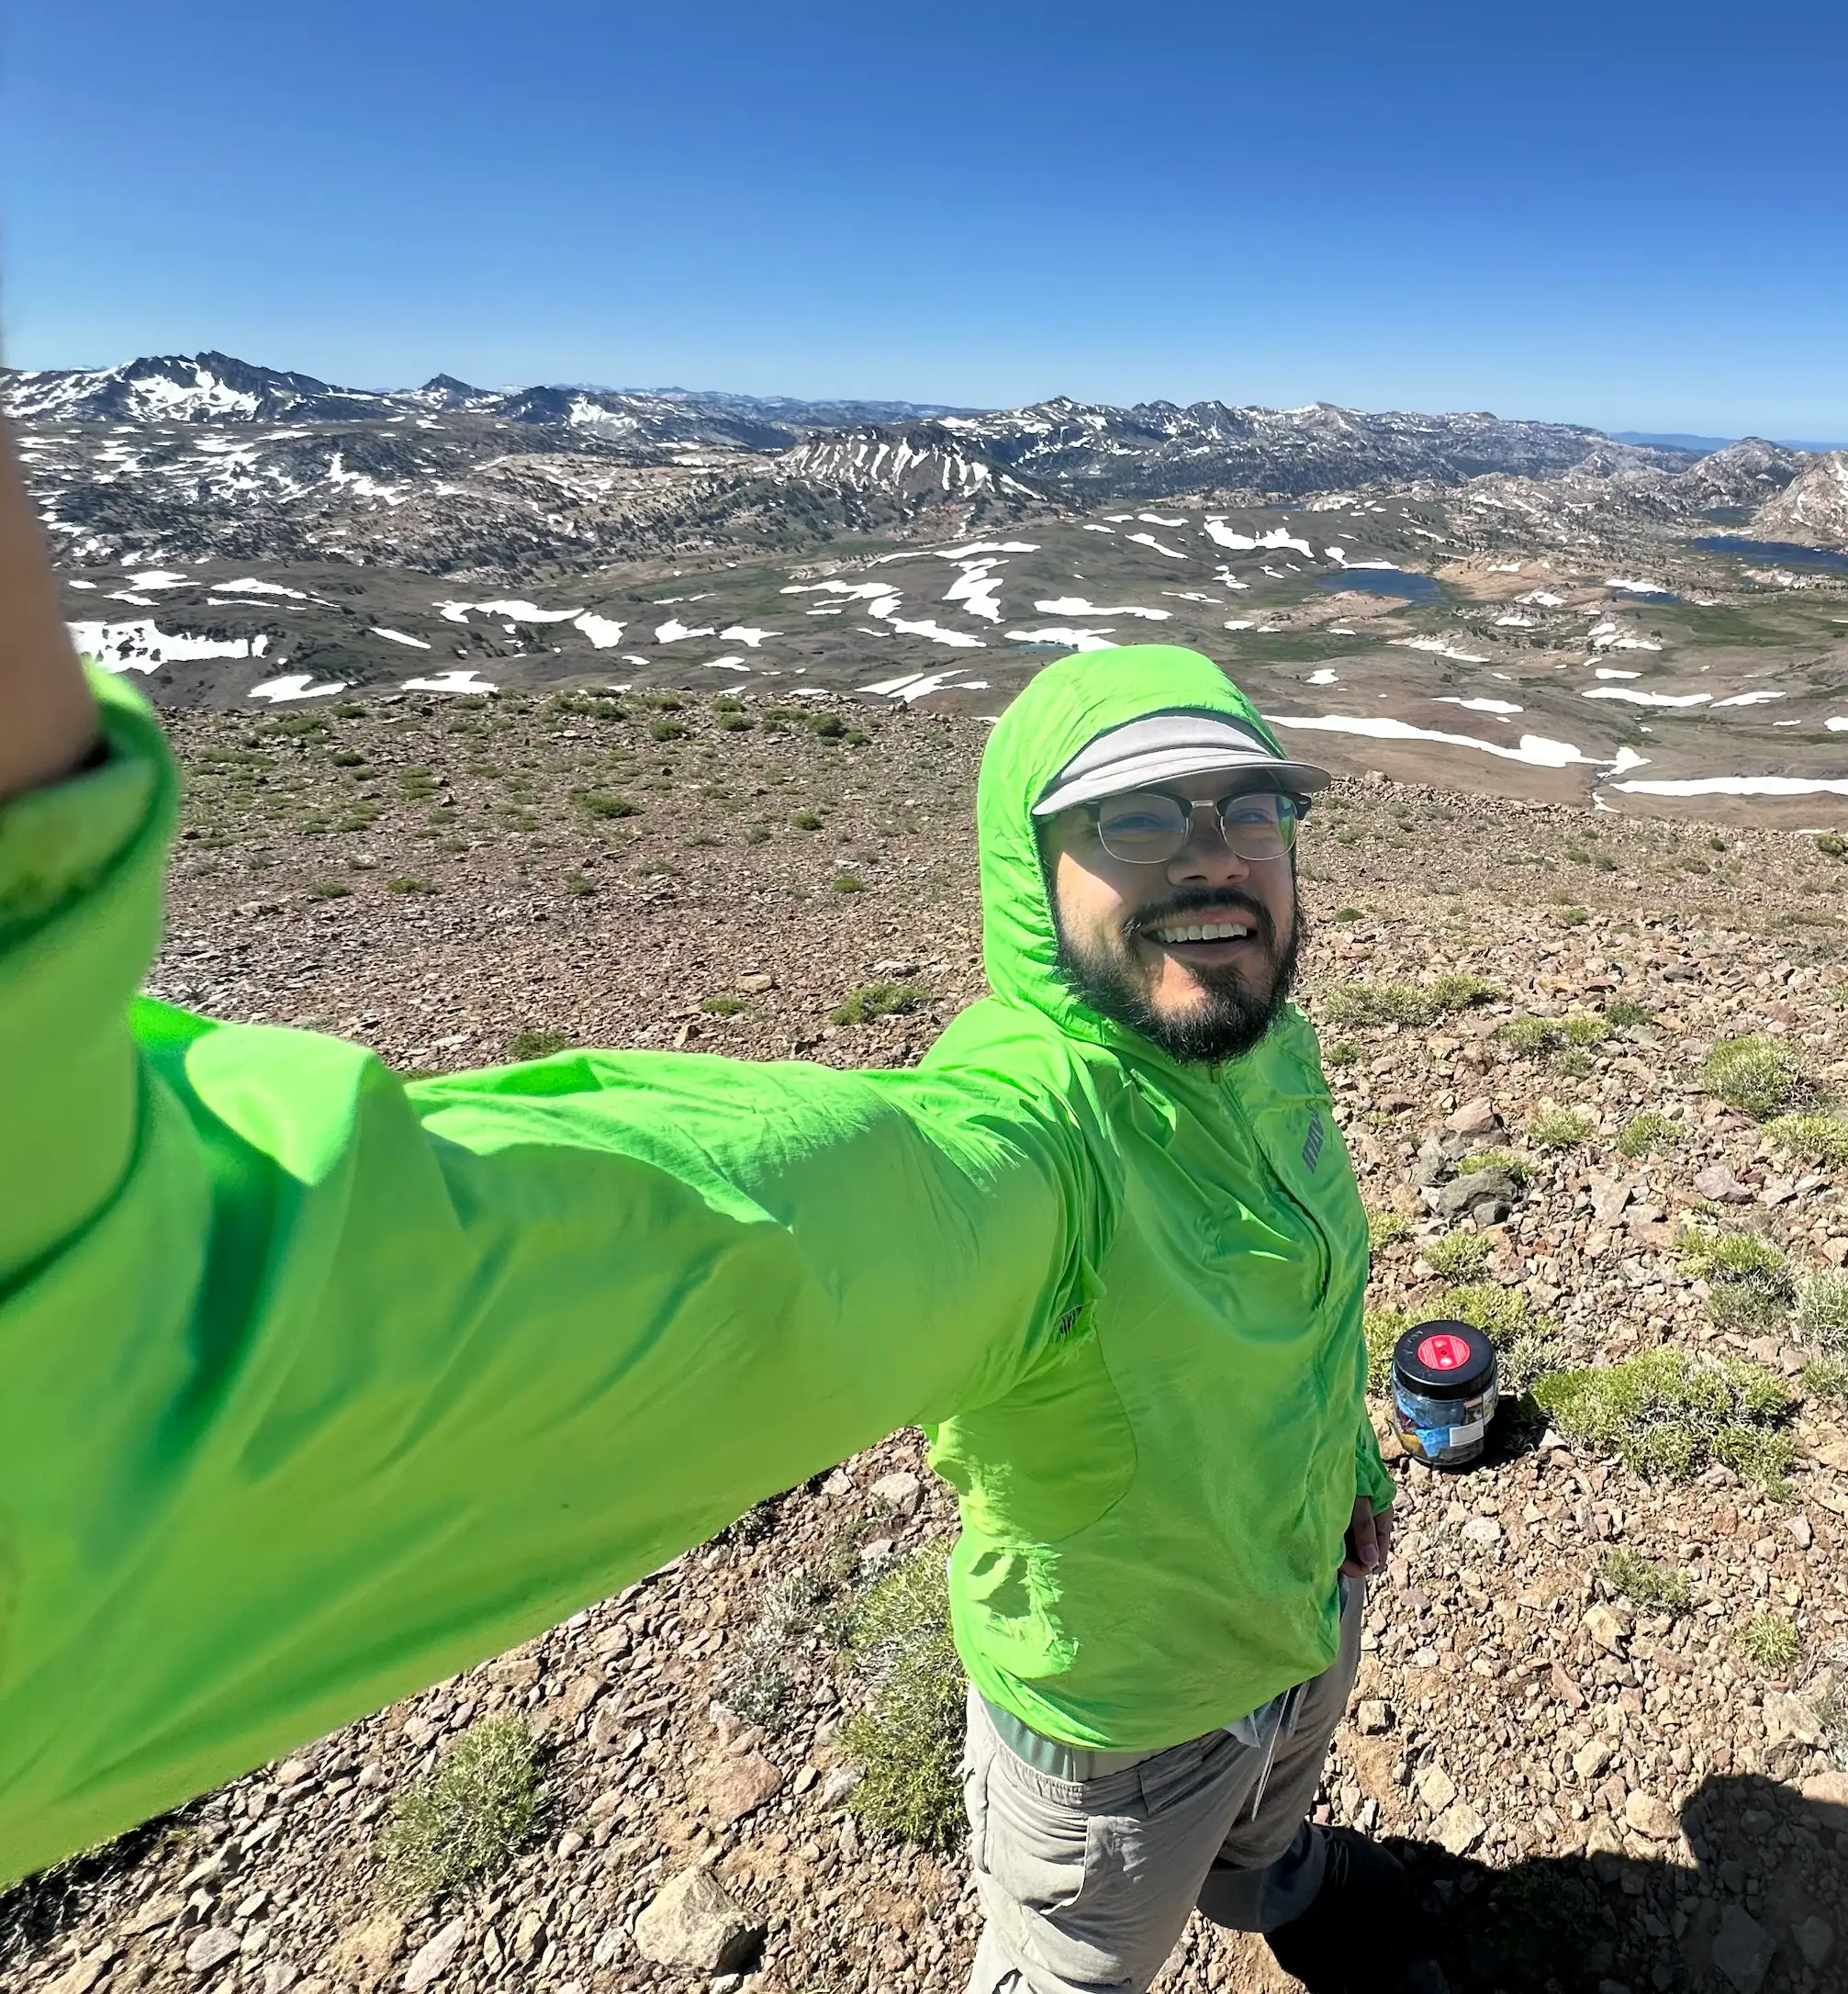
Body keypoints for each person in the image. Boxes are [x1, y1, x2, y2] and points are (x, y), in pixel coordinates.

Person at [0, 419, 1416, 1994]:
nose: (1213, 859)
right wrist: (103, 1272)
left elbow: (1306, 1296)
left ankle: (1283, 1880)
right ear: (1032, 873)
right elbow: (728, 1245)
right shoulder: (1030, 1149)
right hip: (1125, 1733)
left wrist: (1345, 1467)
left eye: (1248, 807)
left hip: (1308, 1599)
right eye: (1135, 819)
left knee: (1276, 1837)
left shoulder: (1251, 1042)